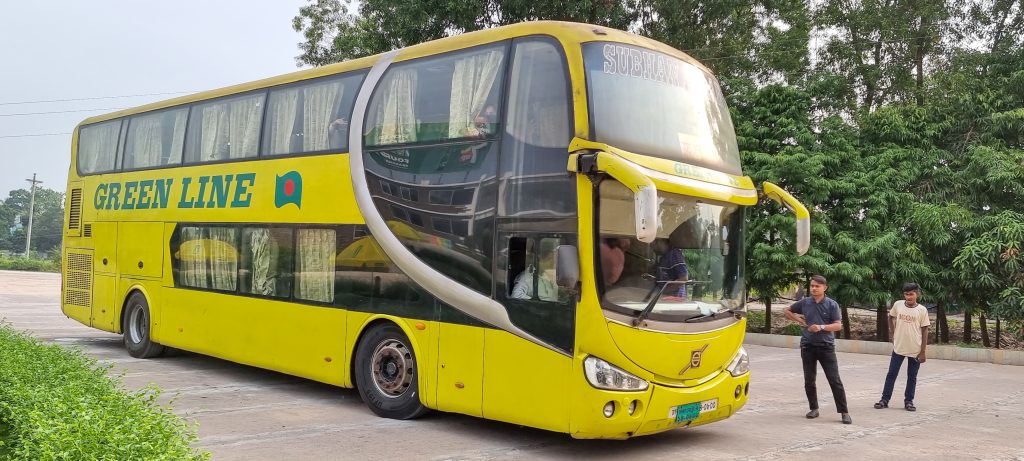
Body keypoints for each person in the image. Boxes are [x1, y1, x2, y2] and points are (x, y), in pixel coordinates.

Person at [783, 275, 852, 424]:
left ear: (824, 288)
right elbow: (787, 310)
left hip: (826, 347)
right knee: (809, 380)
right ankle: (814, 408)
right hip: (808, 346)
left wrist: (820, 327)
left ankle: (844, 412)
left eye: (817, 286)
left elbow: (838, 325)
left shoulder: (832, 305)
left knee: (834, 380)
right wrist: (800, 320)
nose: (814, 288)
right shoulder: (805, 302)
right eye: (812, 286)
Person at [875, 282, 930, 411]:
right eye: (906, 294)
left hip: (915, 349)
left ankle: (909, 401)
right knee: (891, 374)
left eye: (911, 294)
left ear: (917, 294)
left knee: (912, 377)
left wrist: (923, 351)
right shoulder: (898, 305)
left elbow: (925, 330)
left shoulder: (922, 310)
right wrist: (893, 333)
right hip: (898, 347)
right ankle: (884, 399)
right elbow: (891, 317)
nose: (908, 297)